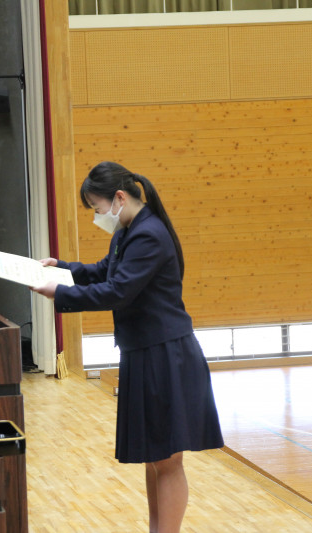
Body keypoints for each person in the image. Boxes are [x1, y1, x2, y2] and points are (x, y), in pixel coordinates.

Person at [32, 161, 224, 533]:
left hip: (166, 354)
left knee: (167, 460)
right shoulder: (128, 229)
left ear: (119, 197)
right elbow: (105, 270)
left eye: (97, 207)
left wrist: (61, 292)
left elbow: (118, 291)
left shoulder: (148, 234)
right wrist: (61, 268)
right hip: (144, 351)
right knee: (154, 457)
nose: (98, 216)